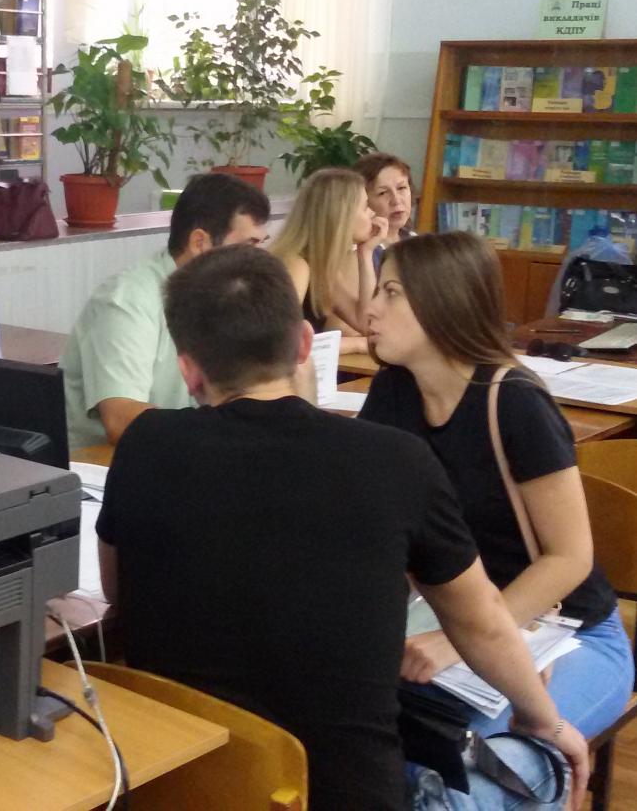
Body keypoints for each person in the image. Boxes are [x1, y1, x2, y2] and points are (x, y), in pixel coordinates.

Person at [96, 243, 588, 809]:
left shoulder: (144, 444)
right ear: (305, 344)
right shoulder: (395, 460)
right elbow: (482, 624)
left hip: (186, 787)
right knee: (532, 770)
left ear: (188, 370)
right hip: (346, 793)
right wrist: (545, 722)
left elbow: (117, 590)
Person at [360, 231, 634, 742]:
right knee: (378, 741)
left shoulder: (515, 402)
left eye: (390, 292)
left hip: (568, 631)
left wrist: (466, 641)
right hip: (454, 620)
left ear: (445, 301)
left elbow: (570, 558)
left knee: (492, 762)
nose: (370, 308)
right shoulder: (393, 391)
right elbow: (375, 525)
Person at [60, 173, 271, 449]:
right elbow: (121, 418)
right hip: (105, 463)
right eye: (249, 246)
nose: (260, 260)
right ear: (200, 243)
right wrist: (220, 435)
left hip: (182, 450)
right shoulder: (128, 299)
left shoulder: (226, 298)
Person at [268, 167, 386, 354]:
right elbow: (280, 343)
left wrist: (366, 253)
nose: (373, 213)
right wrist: (356, 344)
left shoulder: (320, 265)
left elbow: (367, 323)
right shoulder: (296, 264)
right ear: (341, 214)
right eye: (365, 207)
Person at [355, 152, 416, 270]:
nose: (396, 200)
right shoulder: (358, 252)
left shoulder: (416, 242)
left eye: (401, 188)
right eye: (382, 193)